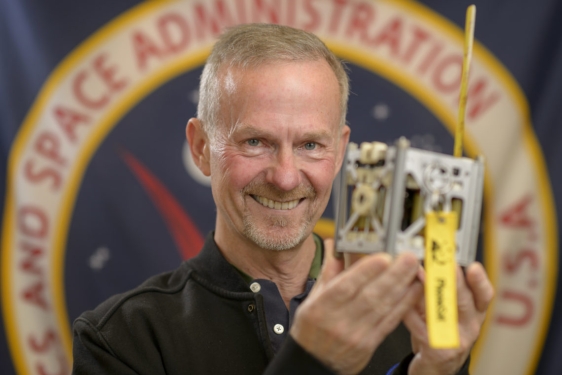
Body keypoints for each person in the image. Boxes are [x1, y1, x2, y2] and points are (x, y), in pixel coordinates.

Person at [72, 23, 493, 375]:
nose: (287, 178)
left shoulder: (414, 318)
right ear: (201, 147)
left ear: (341, 150)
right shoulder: (118, 340)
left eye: (311, 144)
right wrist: (312, 360)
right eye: (256, 141)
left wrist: (434, 371)